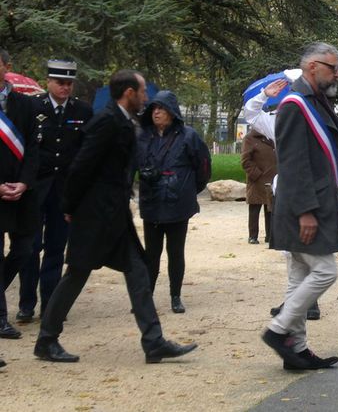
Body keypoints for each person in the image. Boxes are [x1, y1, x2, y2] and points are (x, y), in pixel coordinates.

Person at [34, 69, 198, 363]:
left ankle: (154, 341)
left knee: (138, 273)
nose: (147, 98)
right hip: (94, 216)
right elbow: (80, 166)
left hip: (115, 215)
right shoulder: (107, 121)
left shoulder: (124, 121)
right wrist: (70, 207)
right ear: (129, 93)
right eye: (144, 91)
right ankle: (46, 340)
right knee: (76, 275)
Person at [261, 42, 338, 370]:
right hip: (303, 207)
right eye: (332, 67)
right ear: (312, 67)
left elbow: (326, 162)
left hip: (319, 202)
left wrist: (335, 204)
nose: (337, 73)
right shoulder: (295, 105)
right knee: (325, 271)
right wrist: (306, 212)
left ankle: (296, 350)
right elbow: (294, 163)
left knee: (299, 275)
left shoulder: (317, 101)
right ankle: (278, 330)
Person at [243, 77, 328, 321]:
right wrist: (264, 95)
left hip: (313, 189)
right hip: (287, 189)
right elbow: (251, 114)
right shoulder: (277, 120)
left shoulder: (319, 118)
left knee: (310, 245)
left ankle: (310, 302)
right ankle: (296, 299)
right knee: (290, 249)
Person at [16, 60, 93, 325]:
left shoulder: (82, 111)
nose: (64, 87)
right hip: (35, 189)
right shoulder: (32, 106)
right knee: (30, 247)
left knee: (56, 249)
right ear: (48, 81)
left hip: (63, 191)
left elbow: (86, 152)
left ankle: (50, 304)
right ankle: (27, 303)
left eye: (69, 83)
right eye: (60, 82)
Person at [136, 91, 211, 314]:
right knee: (151, 253)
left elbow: (203, 166)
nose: (156, 112)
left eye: (161, 108)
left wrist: (188, 189)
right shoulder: (144, 136)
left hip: (178, 204)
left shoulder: (188, 136)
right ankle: (146, 297)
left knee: (175, 252)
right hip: (152, 202)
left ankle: (175, 296)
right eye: (153, 109)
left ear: (171, 112)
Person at [0, 48, 42, 342]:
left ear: (6, 66)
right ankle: (1, 319)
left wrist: (25, 183)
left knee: (25, 250)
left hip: (22, 193)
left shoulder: (24, 105)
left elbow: (34, 148)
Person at [241, 127, 276, 244]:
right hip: (256, 180)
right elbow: (245, 161)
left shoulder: (273, 136)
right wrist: (256, 174)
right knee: (254, 209)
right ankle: (253, 236)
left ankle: (270, 236)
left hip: (271, 179)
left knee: (270, 209)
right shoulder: (250, 138)